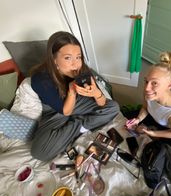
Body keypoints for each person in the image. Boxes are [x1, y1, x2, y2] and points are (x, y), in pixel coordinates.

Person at [30, 31, 119, 161]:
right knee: (38, 153)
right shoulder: (40, 79)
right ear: (54, 60)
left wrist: (97, 93)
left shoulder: (81, 69)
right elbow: (65, 111)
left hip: (78, 103)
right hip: (56, 112)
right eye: (68, 58)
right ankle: (78, 126)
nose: (75, 63)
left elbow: (102, 103)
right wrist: (71, 91)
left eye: (78, 57)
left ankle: (79, 127)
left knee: (113, 107)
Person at [126, 51, 171, 154]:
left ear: (169, 86)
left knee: (166, 158)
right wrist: (138, 119)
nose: (147, 88)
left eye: (154, 83)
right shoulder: (149, 92)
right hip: (151, 116)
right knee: (124, 121)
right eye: (146, 81)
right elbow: (145, 108)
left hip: (166, 128)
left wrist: (153, 133)